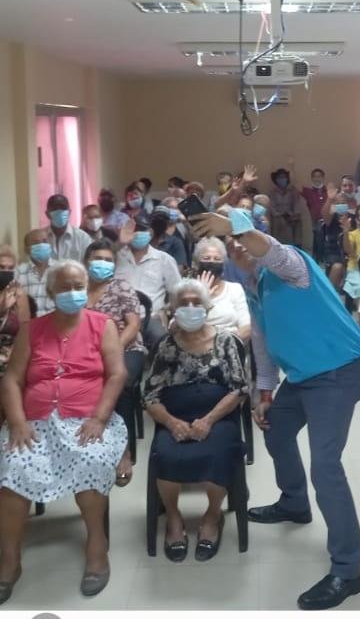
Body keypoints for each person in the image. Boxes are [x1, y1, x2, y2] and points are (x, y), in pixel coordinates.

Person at [190, 208, 360, 611]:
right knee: (276, 428)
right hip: (303, 376)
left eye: (241, 240)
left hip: (338, 372)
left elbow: (269, 249)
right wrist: (265, 391)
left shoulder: (292, 266)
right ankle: (294, 503)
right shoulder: (255, 288)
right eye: (232, 244)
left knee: (326, 466)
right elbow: (262, 345)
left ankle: (348, 569)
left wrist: (235, 228)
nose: (238, 248)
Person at [0, 260, 127, 603]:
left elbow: (117, 374)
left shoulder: (102, 324)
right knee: (13, 469)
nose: (73, 293)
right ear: (51, 292)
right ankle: (9, 560)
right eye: (65, 287)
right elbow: (11, 379)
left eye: (78, 287)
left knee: (90, 460)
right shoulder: (32, 329)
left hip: (87, 418)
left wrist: (99, 418)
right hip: (34, 422)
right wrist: (17, 422)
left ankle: (96, 547)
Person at [143, 279, 247, 563]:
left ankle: (212, 517)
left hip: (217, 417)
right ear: (173, 309)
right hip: (175, 417)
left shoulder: (226, 341)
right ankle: (173, 518)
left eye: (196, 302)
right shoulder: (165, 346)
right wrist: (171, 422)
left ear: (207, 307)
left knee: (219, 453)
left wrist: (209, 420)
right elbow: (149, 395)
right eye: (183, 303)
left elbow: (239, 389)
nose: (190, 308)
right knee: (166, 454)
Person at [85, 238, 142, 485]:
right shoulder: (77, 289)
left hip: (125, 347)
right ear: (86, 261)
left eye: (108, 260)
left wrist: (111, 351)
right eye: (98, 259)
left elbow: (133, 325)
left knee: (121, 382)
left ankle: (123, 452)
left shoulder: (121, 286)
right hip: (85, 352)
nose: (103, 263)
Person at [115, 213, 181, 352]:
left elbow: (177, 293)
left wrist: (166, 311)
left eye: (141, 230)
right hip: (118, 317)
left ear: (150, 233)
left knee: (162, 340)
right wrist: (119, 243)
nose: (136, 233)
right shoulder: (116, 256)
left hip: (150, 317)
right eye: (134, 230)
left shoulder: (164, 260)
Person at [193, 238, 251, 342]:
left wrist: (224, 345)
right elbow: (179, 327)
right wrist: (201, 298)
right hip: (200, 345)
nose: (212, 262)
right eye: (206, 258)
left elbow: (246, 327)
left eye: (217, 259)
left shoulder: (235, 289)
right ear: (197, 263)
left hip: (232, 345)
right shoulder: (188, 291)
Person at [0, 247, 30, 393]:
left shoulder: (19, 294)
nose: (6, 271)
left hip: (12, 357)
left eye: (10, 268)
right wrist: (3, 309)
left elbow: (26, 329)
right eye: (1, 267)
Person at [321, 178, 358, 292]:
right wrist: (329, 200)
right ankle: (329, 293)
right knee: (338, 267)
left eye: (343, 203)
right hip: (334, 249)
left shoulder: (353, 217)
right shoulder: (332, 216)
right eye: (338, 203)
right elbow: (325, 215)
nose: (341, 205)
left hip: (351, 248)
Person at [15, 229, 54, 318]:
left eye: (45, 241)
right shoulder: (18, 272)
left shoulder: (61, 270)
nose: (42, 245)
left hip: (54, 323)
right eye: (36, 243)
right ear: (26, 249)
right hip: (29, 323)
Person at [45, 194, 92, 261]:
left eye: (63, 208)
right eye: (55, 208)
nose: (59, 211)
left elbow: (89, 263)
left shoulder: (83, 238)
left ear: (69, 212)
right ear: (47, 214)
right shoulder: (41, 238)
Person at [301, 169, 328, 263]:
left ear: (323, 178)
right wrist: (291, 167)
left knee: (326, 242)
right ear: (312, 178)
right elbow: (295, 185)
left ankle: (324, 261)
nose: (317, 178)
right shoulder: (308, 191)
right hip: (315, 222)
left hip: (328, 220)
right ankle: (318, 261)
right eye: (315, 176)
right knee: (317, 240)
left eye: (319, 176)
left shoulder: (328, 191)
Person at [269, 169, 302, 246]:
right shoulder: (273, 192)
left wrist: (293, 215)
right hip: (278, 220)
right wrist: (280, 215)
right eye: (279, 177)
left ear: (287, 179)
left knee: (293, 243)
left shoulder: (293, 191)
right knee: (279, 244)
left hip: (291, 218)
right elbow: (272, 207)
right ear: (276, 180)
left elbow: (296, 204)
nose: (282, 179)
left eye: (284, 177)